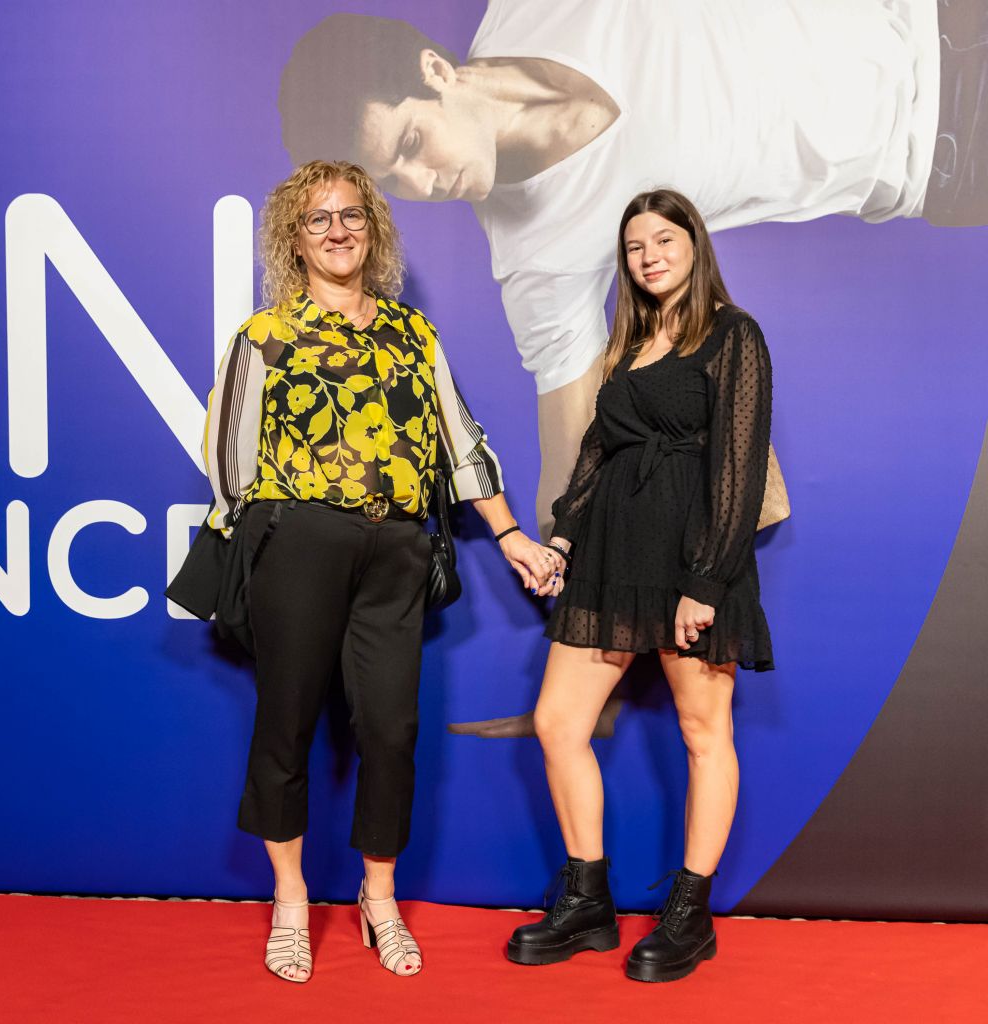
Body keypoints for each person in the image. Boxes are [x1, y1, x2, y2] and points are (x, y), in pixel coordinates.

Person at [279, 1, 981, 545]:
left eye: (410, 142)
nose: (420, 184)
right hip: (945, 160)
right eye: (391, 180)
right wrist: (563, 578)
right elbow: (569, 479)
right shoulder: (536, 255)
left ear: (435, 71)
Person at [202, 159, 563, 983]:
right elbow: (227, 458)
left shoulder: (412, 334)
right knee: (287, 723)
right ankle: (291, 901)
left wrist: (510, 534)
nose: (338, 231)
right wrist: (267, 537)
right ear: (295, 240)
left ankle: (379, 897)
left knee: (392, 731)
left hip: (395, 551)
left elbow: (460, 444)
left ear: (373, 230)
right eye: (319, 219)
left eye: (352, 216)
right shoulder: (265, 336)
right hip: (298, 546)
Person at [505, 189, 775, 983]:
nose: (649, 255)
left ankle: (689, 915)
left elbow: (739, 469)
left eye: (663, 239)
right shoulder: (627, 347)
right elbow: (598, 454)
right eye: (634, 246)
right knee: (558, 721)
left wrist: (706, 580)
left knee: (702, 731)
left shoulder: (733, 334)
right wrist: (561, 538)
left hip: (693, 560)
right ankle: (588, 901)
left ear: (694, 244)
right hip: (611, 557)